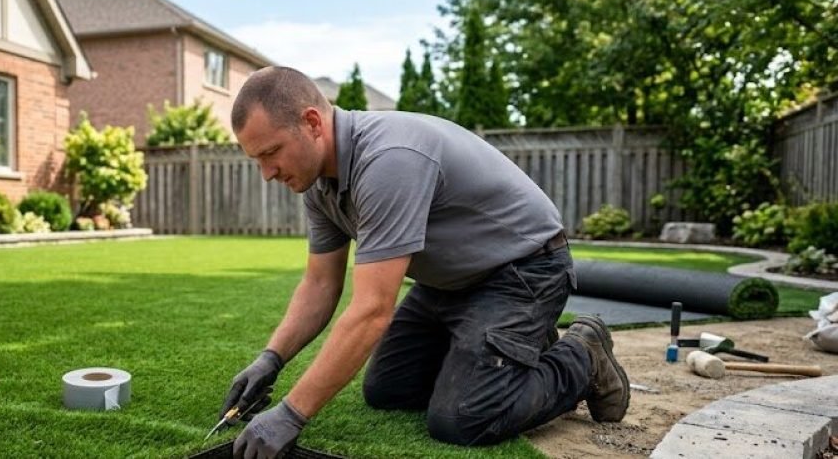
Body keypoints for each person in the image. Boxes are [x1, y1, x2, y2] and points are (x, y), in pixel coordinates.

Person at [219, 66, 629, 458]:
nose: (267, 173)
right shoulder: (319, 187)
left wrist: (291, 415)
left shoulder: (388, 160)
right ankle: (512, 355)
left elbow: (370, 312)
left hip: (523, 272)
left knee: (463, 419)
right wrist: (270, 359)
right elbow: (320, 286)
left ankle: (583, 355)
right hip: (449, 283)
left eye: (271, 152)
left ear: (312, 123)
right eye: (257, 158)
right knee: (387, 391)